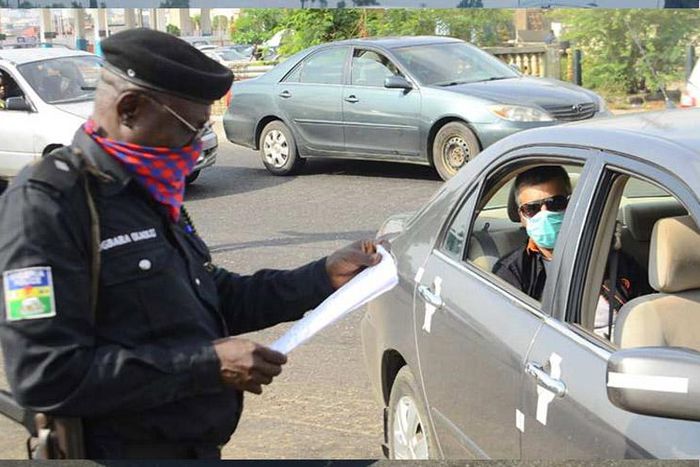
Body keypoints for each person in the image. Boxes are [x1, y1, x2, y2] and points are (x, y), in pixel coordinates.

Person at [0, 28, 381, 459]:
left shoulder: (149, 191)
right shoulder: (47, 206)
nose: (197, 145)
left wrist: (323, 276)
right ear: (130, 108)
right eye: (191, 128)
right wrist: (207, 365)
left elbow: (212, 296)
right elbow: (45, 376)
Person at [493, 166, 651, 337]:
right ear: (522, 217)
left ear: (572, 204)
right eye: (532, 209)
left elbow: (648, 314)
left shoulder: (608, 257)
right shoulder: (512, 272)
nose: (545, 214)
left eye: (555, 203)